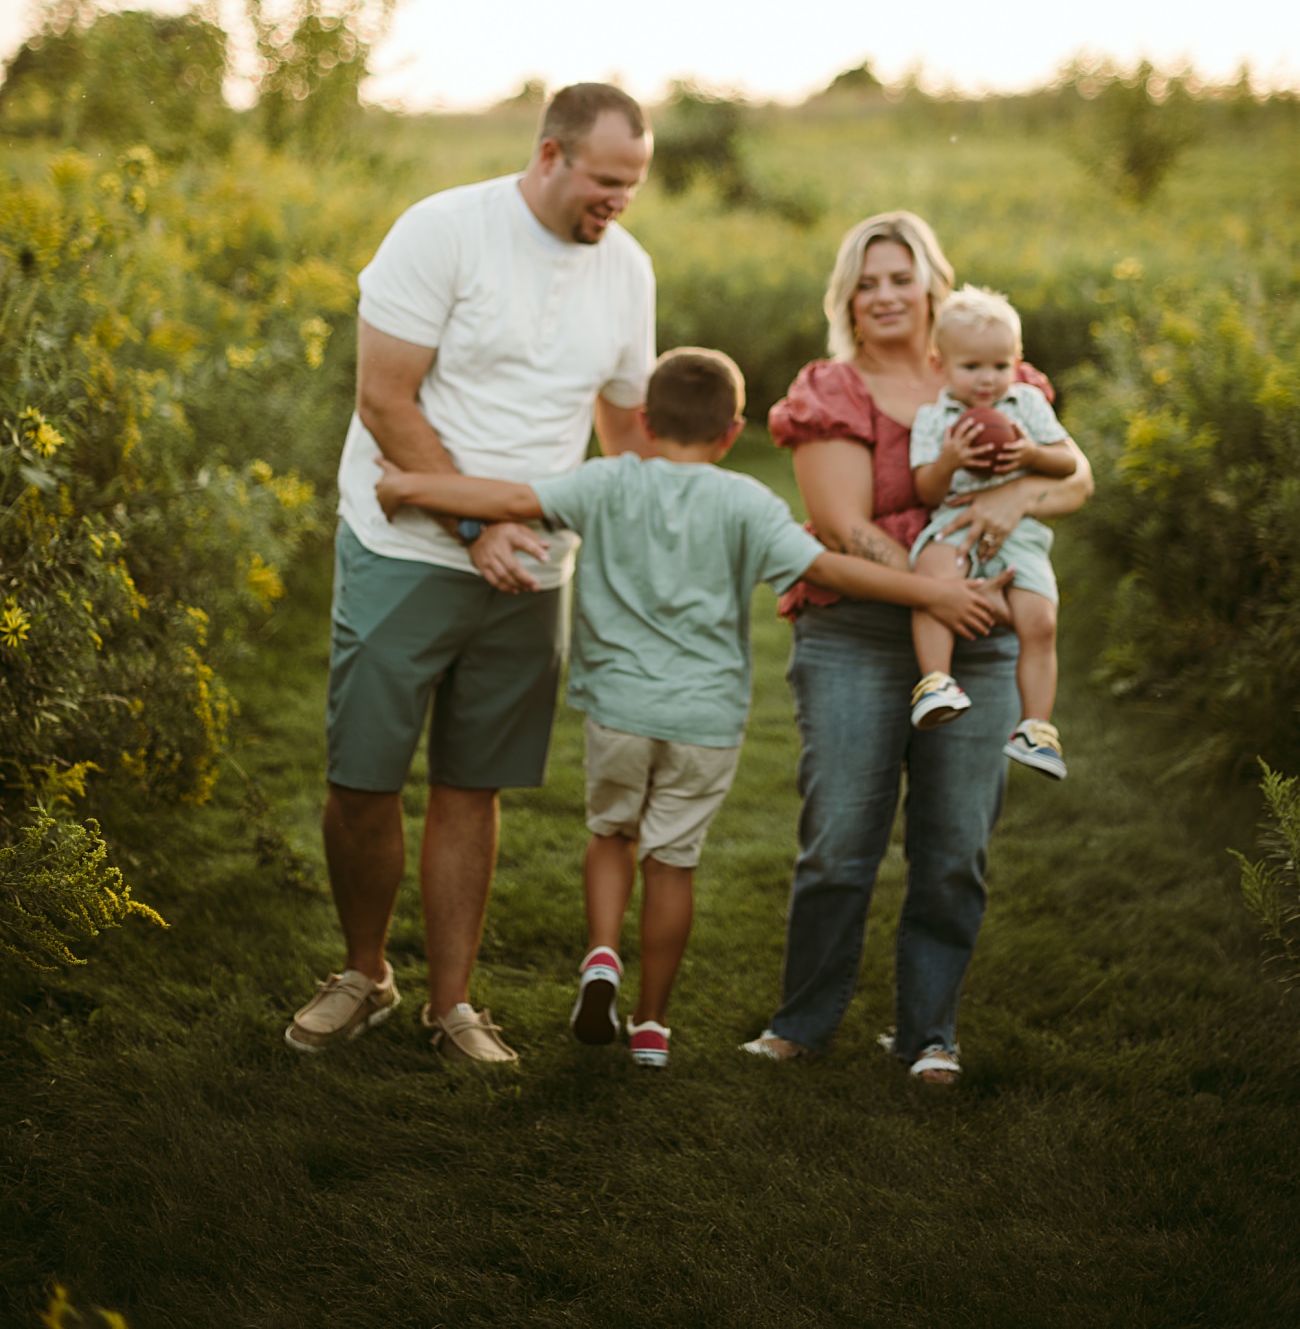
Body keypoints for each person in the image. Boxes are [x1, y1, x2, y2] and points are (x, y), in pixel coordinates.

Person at [373, 346, 1009, 1067]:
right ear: (732, 432)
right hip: (705, 722)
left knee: (612, 835)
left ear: (645, 421)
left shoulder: (606, 481)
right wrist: (934, 593)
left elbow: (507, 499)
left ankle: (602, 954)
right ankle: (651, 1026)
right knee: (673, 862)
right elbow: (829, 568)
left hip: (619, 709)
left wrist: (410, 484)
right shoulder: (747, 502)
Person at [285, 83, 656, 1065]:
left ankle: (451, 1008)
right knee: (362, 777)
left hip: (532, 566)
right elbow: (384, 398)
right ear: (550, 154)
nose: (619, 200)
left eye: (633, 184)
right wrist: (471, 523)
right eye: (606, 180)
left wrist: (652, 527)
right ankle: (364, 974)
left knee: (472, 781)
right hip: (404, 547)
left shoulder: (628, 269)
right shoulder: (443, 231)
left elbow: (623, 421)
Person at [742, 212, 1093, 1084]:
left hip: (980, 639)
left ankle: (928, 1034)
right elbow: (843, 526)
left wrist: (1015, 502)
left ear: (934, 285)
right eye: (867, 282)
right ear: (847, 299)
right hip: (857, 633)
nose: (886, 295)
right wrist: (939, 590)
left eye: (902, 277)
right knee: (838, 843)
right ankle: (802, 1022)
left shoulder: (994, 371)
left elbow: (1075, 474)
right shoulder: (832, 388)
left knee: (954, 849)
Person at [908, 285, 1078, 779]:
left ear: (1017, 362)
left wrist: (1032, 454)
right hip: (955, 521)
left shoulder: (1027, 404)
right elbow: (925, 490)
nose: (988, 378)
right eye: (971, 367)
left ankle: (1036, 729)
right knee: (933, 578)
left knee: (1040, 621)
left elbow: (1067, 463)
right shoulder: (934, 418)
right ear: (940, 364)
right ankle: (937, 680)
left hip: (1017, 532)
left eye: (1000, 366)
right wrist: (948, 461)